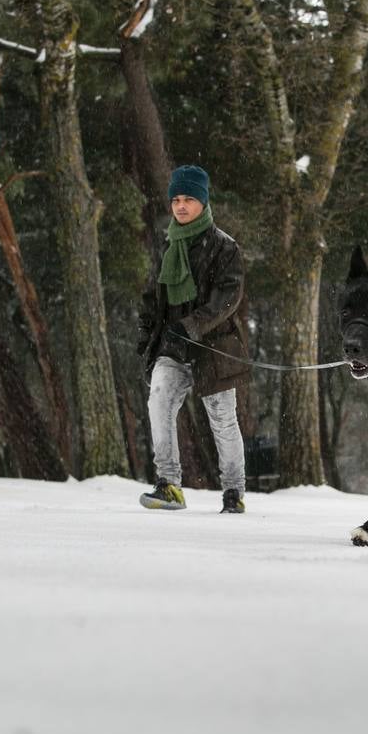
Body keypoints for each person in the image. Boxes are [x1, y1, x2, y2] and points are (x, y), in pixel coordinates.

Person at [136, 165, 249, 513]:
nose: (181, 206)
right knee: (159, 403)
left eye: (188, 199)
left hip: (213, 348)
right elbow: (151, 297)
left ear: (203, 201)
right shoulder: (168, 244)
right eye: (176, 199)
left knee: (223, 421)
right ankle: (169, 485)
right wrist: (147, 335)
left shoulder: (224, 247)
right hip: (171, 348)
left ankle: (234, 492)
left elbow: (228, 297)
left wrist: (192, 325)